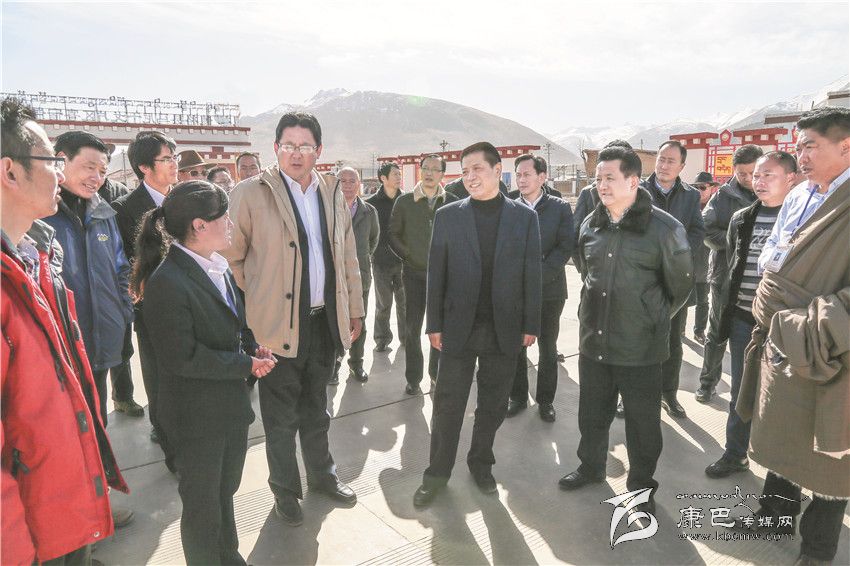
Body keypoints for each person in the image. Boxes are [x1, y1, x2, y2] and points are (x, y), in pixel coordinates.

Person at [1, 96, 127, 565]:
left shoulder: (36, 253)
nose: (58, 173)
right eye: (51, 160)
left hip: (60, 511)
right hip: (30, 533)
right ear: (10, 171)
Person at [224, 112, 364, 526]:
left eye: (305, 146)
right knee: (280, 419)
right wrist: (259, 303)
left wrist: (355, 307)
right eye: (288, 145)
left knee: (317, 409)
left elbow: (348, 255)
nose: (296, 153)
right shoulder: (251, 193)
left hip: (324, 322)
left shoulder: (331, 191)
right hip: (274, 329)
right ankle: (285, 491)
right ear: (276, 148)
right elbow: (231, 259)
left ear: (319, 151)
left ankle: (323, 476)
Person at [132, 181, 275, 565]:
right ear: (199, 225)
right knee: (202, 506)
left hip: (227, 408)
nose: (230, 224)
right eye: (223, 217)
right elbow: (183, 358)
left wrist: (252, 349)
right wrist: (245, 365)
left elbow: (233, 327)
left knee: (223, 493)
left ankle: (228, 556)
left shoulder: (217, 267)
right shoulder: (167, 282)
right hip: (195, 418)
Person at [736, 107, 850, 565]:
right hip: (781, 338)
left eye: (810, 146)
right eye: (798, 145)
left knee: (830, 454)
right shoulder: (801, 193)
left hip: (829, 347)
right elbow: (778, 251)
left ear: (845, 146)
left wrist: (806, 320)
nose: (800, 155)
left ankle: (818, 551)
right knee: (783, 432)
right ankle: (774, 517)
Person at [559, 146, 692, 518]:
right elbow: (587, 271)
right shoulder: (591, 224)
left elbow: (680, 288)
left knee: (642, 425)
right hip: (594, 341)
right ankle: (590, 467)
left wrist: (651, 318)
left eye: (610, 178)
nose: (601, 185)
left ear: (633, 181)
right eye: (597, 178)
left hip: (641, 348)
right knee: (592, 414)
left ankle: (640, 487)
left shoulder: (665, 229)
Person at [412, 142, 541, 508]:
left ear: (497, 170)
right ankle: (437, 474)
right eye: (465, 171)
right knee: (448, 405)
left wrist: (530, 323)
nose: (469, 177)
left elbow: (532, 272)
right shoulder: (449, 216)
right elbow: (436, 273)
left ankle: (481, 464)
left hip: (505, 327)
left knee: (493, 404)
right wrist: (434, 323)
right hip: (458, 327)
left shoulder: (523, 217)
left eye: (477, 169)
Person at [703, 152, 796, 480]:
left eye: (769, 175)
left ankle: (781, 469)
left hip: (785, 326)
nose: (759, 181)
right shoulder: (742, 218)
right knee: (741, 392)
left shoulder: (802, 220)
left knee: (782, 399)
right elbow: (734, 265)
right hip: (744, 320)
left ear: (790, 179)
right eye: (757, 175)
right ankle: (735, 454)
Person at [43, 131, 136, 426]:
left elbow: (121, 269)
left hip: (101, 336)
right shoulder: (39, 213)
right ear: (61, 161)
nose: (96, 178)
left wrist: (123, 312)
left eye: (102, 171)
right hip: (58, 344)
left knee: (98, 419)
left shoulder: (104, 213)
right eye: (89, 167)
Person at [112, 131, 179, 468]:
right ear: (143, 167)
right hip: (152, 308)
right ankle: (165, 435)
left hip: (190, 304)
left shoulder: (184, 198)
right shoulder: (125, 209)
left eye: (174, 157)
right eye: (166, 159)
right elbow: (127, 263)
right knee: (158, 375)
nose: (174, 164)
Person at [506, 154, 573, 422]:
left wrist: (539, 276)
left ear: (542, 177)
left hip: (550, 290)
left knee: (547, 348)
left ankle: (546, 401)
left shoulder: (559, 207)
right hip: (516, 291)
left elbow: (565, 246)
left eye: (527, 174)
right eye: (518, 175)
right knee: (516, 346)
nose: (521, 180)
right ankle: (517, 397)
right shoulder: (507, 205)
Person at [640, 140, 703, 419]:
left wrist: (679, 256)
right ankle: (630, 396)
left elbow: (698, 231)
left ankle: (669, 394)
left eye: (670, 161)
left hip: (675, 283)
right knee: (637, 340)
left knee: (673, 342)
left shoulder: (690, 196)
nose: (664, 166)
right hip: (641, 280)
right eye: (661, 159)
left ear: (682, 166)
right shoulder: (638, 190)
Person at [695, 144, 763, 402]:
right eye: (742, 173)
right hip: (725, 276)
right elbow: (705, 230)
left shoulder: (773, 191)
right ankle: (707, 383)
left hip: (761, 281)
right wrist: (737, 241)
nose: (748, 179)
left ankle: (752, 389)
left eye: (752, 173)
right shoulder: (723, 196)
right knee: (717, 332)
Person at [389, 154, 457, 394]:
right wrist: (408, 255)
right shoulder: (405, 202)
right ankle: (413, 378)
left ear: (442, 174)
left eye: (435, 169)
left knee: (440, 328)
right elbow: (393, 235)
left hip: (443, 278)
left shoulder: (452, 203)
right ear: (420, 171)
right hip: (413, 275)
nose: (429, 173)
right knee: (412, 329)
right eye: (425, 168)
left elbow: (459, 237)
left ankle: (436, 375)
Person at [97, 176, 141, 417]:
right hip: (94, 279)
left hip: (119, 277)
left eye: (102, 167)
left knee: (124, 347)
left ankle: (123, 396)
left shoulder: (119, 191)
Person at [332, 167, 379, 384]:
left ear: (359, 184)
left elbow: (373, 240)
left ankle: (356, 363)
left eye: (352, 181)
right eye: (343, 181)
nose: (348, 185)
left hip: (360, 277)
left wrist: (360, 259)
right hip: (333, 277)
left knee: (359, 320)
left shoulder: (369, 211)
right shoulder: (328, 208)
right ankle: (334, 365)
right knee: (334, 322)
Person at [365, 162, 406, 352]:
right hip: (381, 262)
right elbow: (368, 234)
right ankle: (382, 339)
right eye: (395, 174)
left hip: (404, 262)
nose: (399, 177)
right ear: (383, 178)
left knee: (405, 303)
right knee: (383, 304)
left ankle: (406, 337)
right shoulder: (371, 204)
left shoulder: (407, 201)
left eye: (399, 174)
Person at [689, 171, 720, 344]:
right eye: (696, 187)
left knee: (703, 300)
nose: (699, 191)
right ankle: (679, 330)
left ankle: (699, 331)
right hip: (688, 261)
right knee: (682, 299)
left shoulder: (716, 207)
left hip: (706, 262)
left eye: (702, 187)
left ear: (712, 188)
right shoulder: (688, 205)